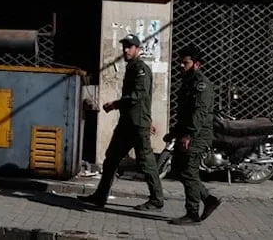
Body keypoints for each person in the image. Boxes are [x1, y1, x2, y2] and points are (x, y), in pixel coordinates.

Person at [77, 34, 164, 211]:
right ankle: (100, 196)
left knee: (146, 162)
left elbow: (138, 96)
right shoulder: (132, 67)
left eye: (130, 46)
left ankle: (157, 199)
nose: (126, 50)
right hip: (127, 123)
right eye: (124, 46)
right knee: (111, 159)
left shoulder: (141, 69)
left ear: (137, 49)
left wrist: (115, 104)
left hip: (137, 124)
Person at [165, 45, 221, 225]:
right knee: (179, 170)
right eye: (180, 62)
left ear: (197, 64)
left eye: (186, 63)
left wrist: (188, 135)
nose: (181, 66)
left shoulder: (201, 85)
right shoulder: (187, 81)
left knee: (189, 171)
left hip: (197, 135)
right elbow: (184, 113)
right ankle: (208, 198)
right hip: (187, 132)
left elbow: (199, 113)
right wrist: (174, 133)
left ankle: (192, 213)